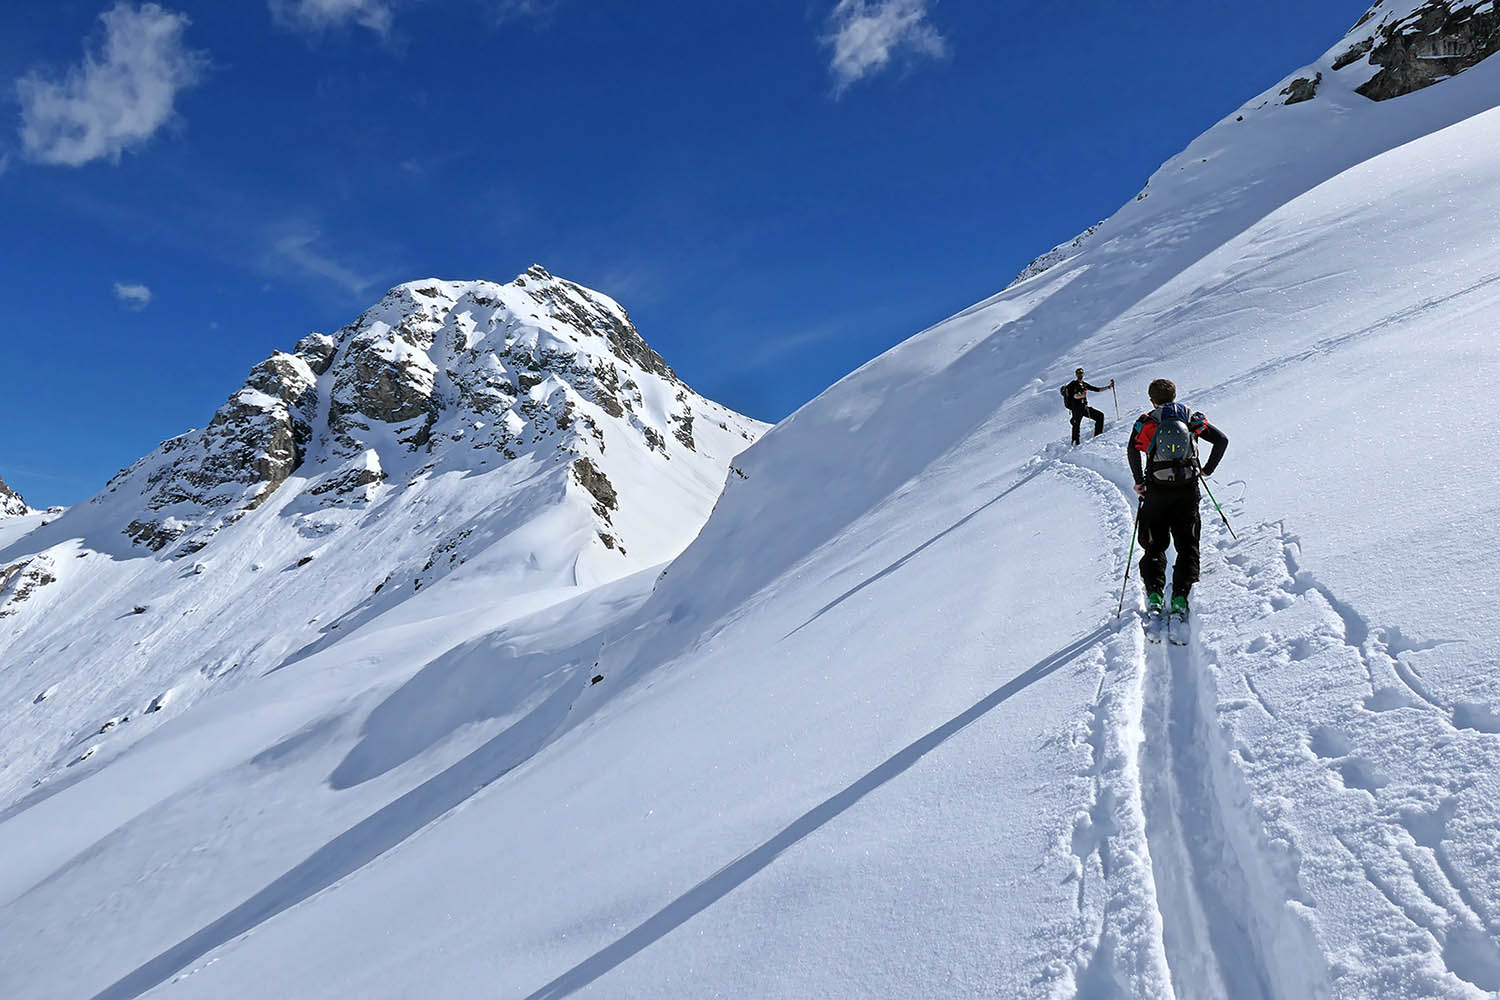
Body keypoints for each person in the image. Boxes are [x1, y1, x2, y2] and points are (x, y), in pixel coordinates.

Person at [1128, 378, 1228, 619]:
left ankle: (1154, 595)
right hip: (1188, 489)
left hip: (1156, 490)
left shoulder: (1147, 421)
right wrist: (1206, 469)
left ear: (1152, 399)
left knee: (1154, 544)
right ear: (1174, 396)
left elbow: (1133, 450)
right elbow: (1221, 441)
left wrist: (1139, 481)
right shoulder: (1191, 418)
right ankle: (1181, 596)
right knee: (1187, 544)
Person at [1061, 367, 1113, 445]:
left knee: (1100, 416)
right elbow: (1074, 396)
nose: (1080, 374)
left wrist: (1109, 387)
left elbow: (1096, 389)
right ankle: (1075, 443)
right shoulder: (1073, 384)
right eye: (1078, 373)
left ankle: (1098, 437)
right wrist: (1082, 396)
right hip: (1076, 408)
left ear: (1083, 374)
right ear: (1076, 374)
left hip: (1084, 407)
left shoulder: (1084, 384)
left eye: (1081, 373)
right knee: (1076, 426)